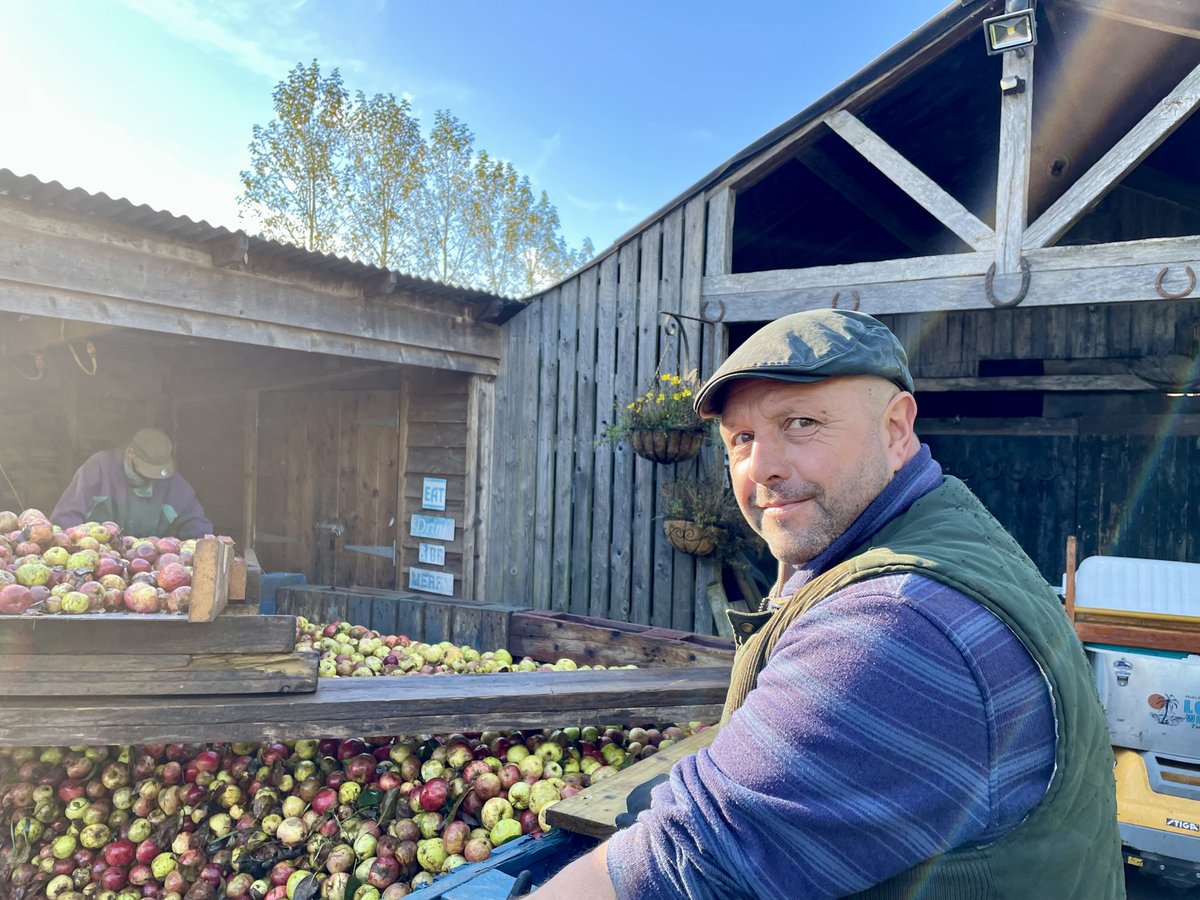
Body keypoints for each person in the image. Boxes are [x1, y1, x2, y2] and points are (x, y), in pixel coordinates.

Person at [532, 309, 1123, 899]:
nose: (761, 467)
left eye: (801, 422)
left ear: (895, 429)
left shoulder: (897, 623)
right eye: (742, 439)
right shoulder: (928, 528)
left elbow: (686, 864)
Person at [51, 427, 213, 539]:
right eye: (151, 468)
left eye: (160, 470)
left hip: (150, 569)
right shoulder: (100, 468)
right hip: (97, 564)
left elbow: (197, 526)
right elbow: (66, 518)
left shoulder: (174, 484)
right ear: (130, 453)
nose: (155, 478)